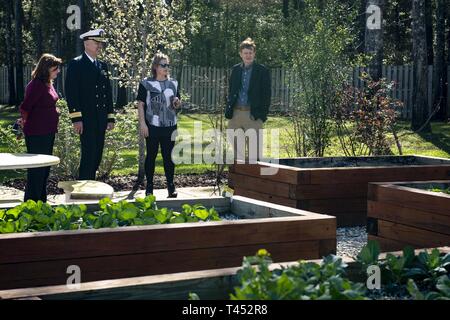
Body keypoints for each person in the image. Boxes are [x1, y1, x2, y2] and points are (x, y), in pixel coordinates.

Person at [65, 28, 115, 180]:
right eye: (96, 43)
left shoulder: (102, 66)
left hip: (100, 118)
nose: (99, 46)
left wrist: (110, 117)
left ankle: (90, 184)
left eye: (101, 43)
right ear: (86, 43)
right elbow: (71, 93)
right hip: (85, 118)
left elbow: (107, 93)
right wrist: (76, 119)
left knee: (97, 154)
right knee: (89, 154)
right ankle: (84, 187)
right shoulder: (76, 64)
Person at [136, 53, 181, 197]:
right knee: (151, 156)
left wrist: (177, 103)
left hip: (170, 126)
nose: (166, 68)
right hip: (152, 126)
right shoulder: (146, 83)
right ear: (156, 67)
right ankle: (149, 187)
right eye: (163, 65)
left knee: (169, 157)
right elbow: (141, 105)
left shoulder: (173, 83)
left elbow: (176, 103)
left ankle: (171, 186)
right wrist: (143, 124)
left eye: (167, 65)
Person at [19, 53, 62, 202]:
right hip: (37, 133)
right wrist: (23, 123)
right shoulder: (36, 85)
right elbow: (25, 107)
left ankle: (41, 202)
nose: (58, 71)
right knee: (37, 170)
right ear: (46, 69)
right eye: (55, 69)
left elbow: (46, 103)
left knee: (45, 169)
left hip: (48, 131)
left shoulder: (48, 83)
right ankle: (31, 203)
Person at [225, 37, 271, 162]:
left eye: (250, 53)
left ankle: (255, 181)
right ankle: (240, 181)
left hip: (253, 115)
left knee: (254, 156)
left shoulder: (262, 71)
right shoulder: (235, 70)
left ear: (254, 53)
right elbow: (231, 91)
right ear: (241, 54)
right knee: (237, 155)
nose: (248, 55)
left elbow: (267, 96)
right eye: (245, 53)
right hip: (236, 114)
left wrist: (262, 116)